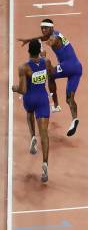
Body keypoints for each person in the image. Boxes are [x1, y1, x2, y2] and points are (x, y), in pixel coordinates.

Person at [18, 19, 83, 136]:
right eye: (42, 28)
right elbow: (42, 38)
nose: (43, 30)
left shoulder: (54, 38)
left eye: (45, 28)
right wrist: (29, 40)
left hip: (67, 66)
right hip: (77, 68)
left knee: (50, 74)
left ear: (52, 28)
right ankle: (74, 119)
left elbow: (46, 41)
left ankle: (56, 105)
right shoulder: (57, 33)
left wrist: (40, 51)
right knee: (70, 98)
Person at [11, 40, 56, 182]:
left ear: (29, 51)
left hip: (30, 99)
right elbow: (51, 74)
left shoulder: (24, 68)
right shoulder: (46, 62)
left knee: (29, 112)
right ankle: (45, 164)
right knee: (45, 134)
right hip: (43, 98)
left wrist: (14, 88)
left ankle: (32, 137)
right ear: (39, 51)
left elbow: (23, 90)